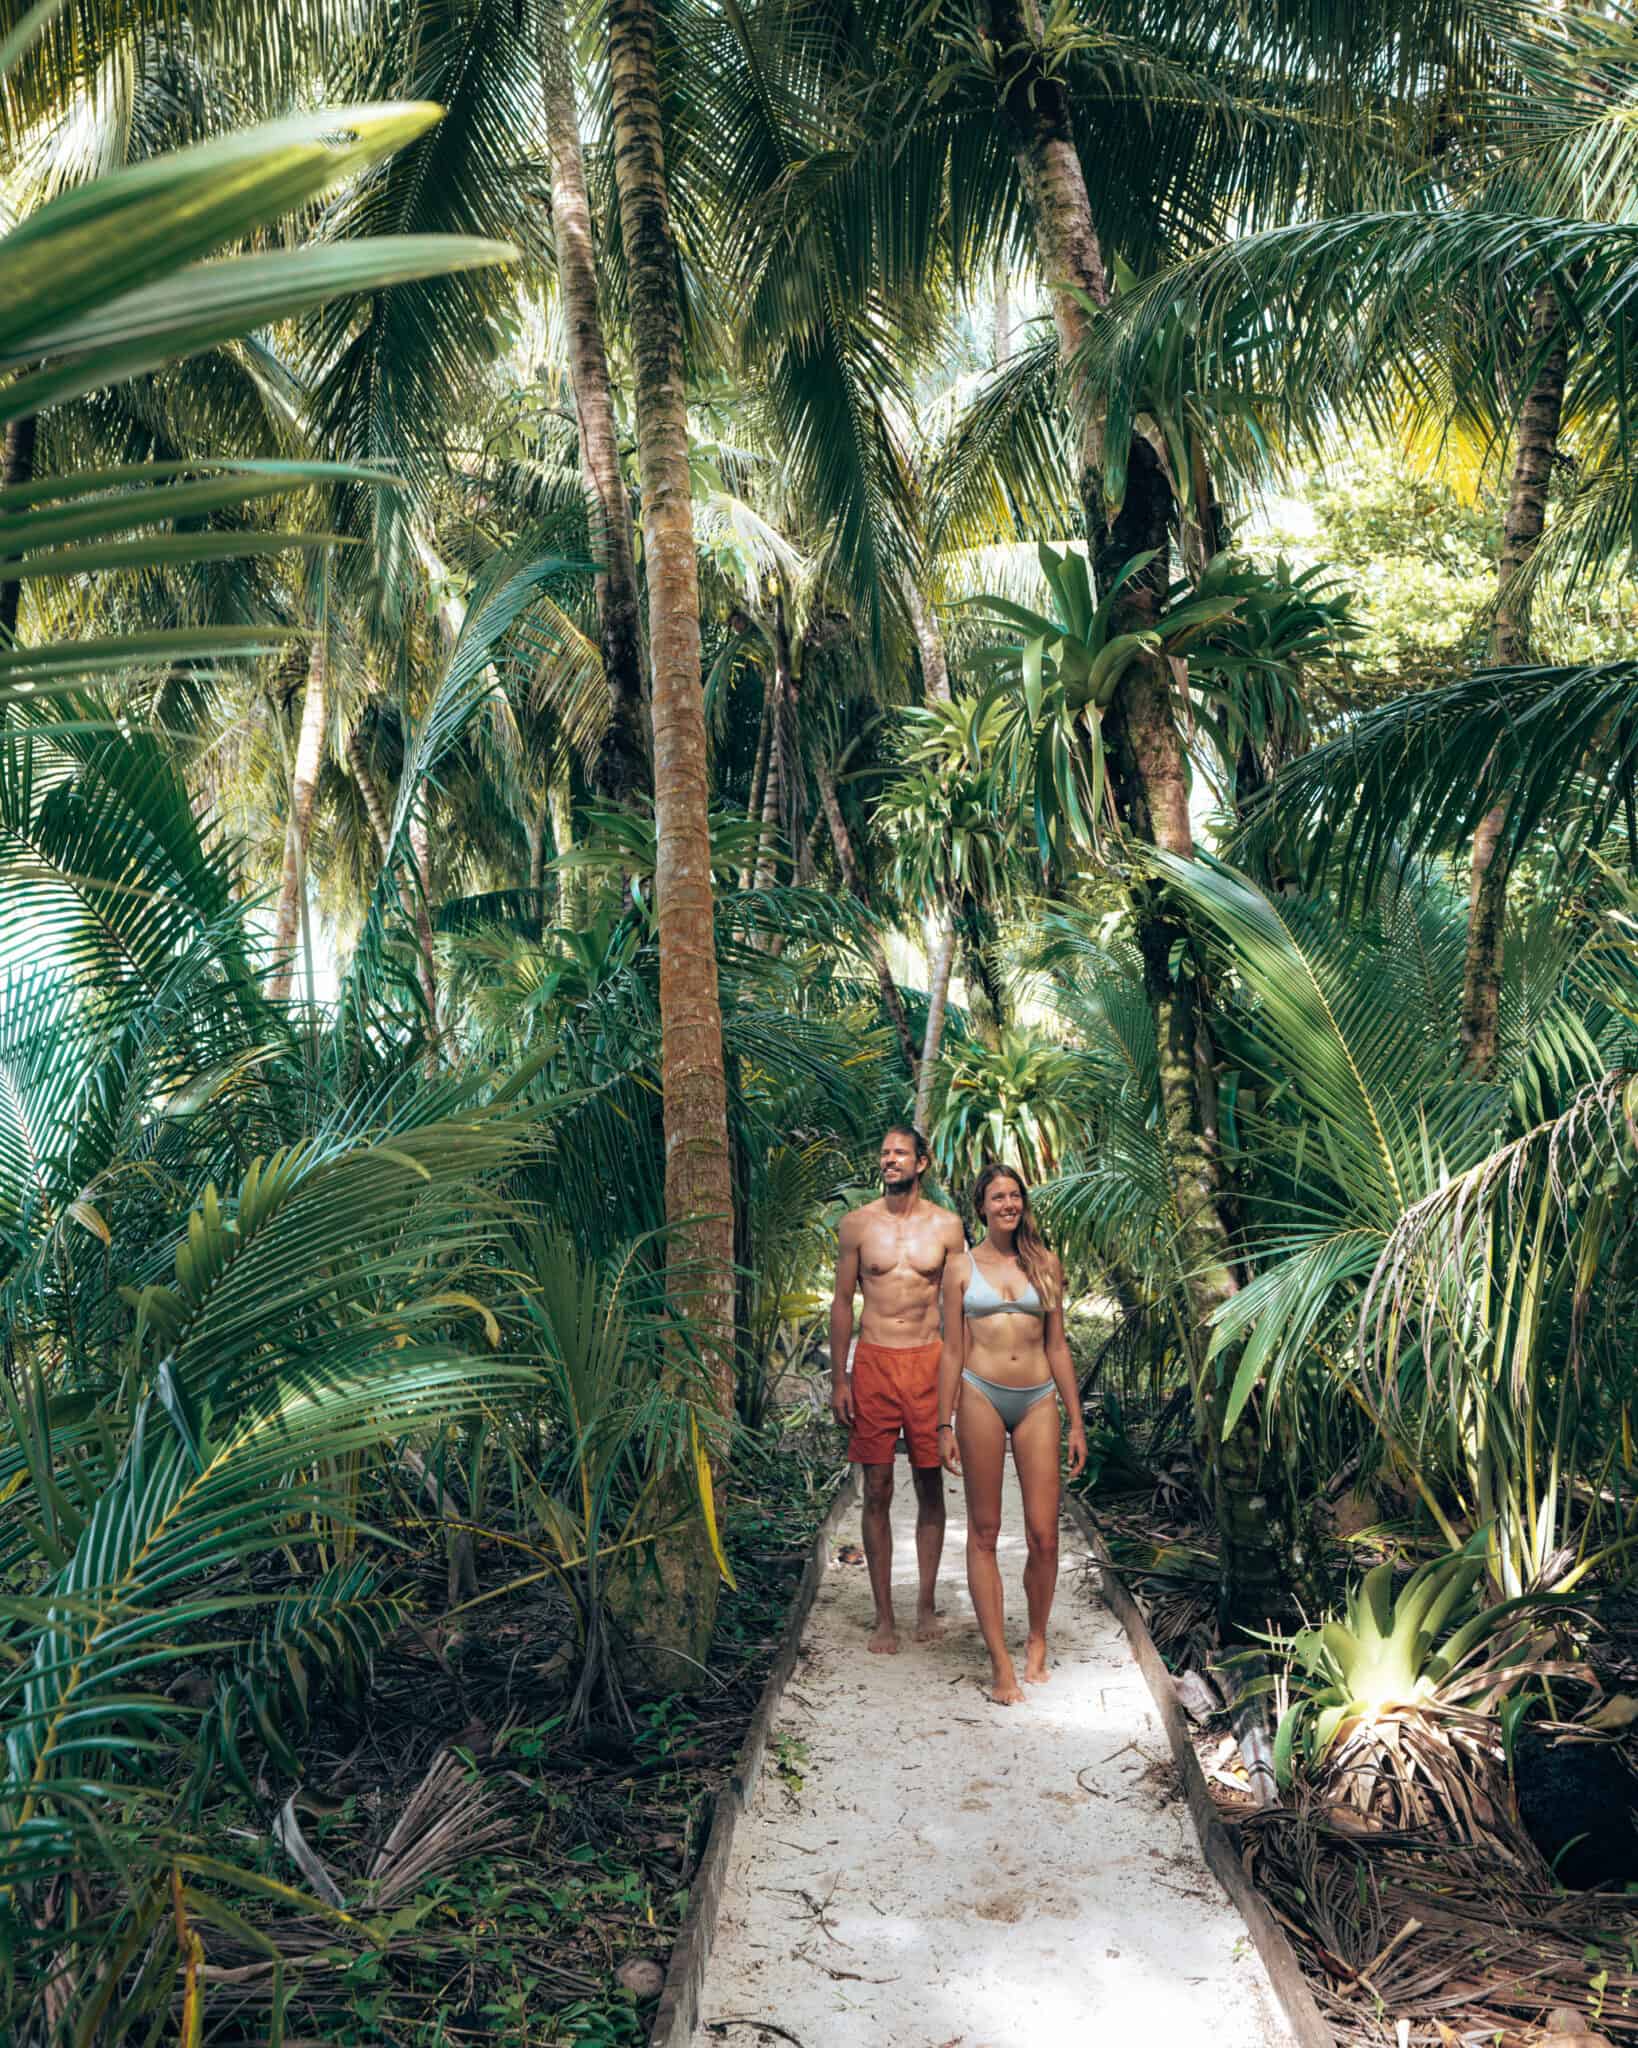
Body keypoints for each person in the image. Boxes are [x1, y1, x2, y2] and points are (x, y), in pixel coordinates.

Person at [937, 1162, 1087, 1704]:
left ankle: (1038, 1639)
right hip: (979, 1392)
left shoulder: (1046, 1263)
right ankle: (1000, 1662)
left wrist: (1076, 1419)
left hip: (1038, 1398)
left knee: (1044, 1534)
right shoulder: (959, 1267)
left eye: (1015, 1195)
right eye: (997, 1196)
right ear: (981, 1206)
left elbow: (1058, 1346)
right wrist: (941, 1422)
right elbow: (952, 1349)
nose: (1008, 1203)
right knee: (984, 1530)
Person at [830, 1125, 967, 1654]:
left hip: (930, 1363)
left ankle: (926, 1603)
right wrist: (839, 1376)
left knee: (930, 1484)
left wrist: (963, 1381)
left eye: (900, 1153)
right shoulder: (857, 1225)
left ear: (922, 1163)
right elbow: (843, 1302)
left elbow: (957, 1308)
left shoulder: (948, 1227)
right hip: (875, 1363)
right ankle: (883, 1616)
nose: (889, 1160)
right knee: (878, 1487)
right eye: (884, 1153)